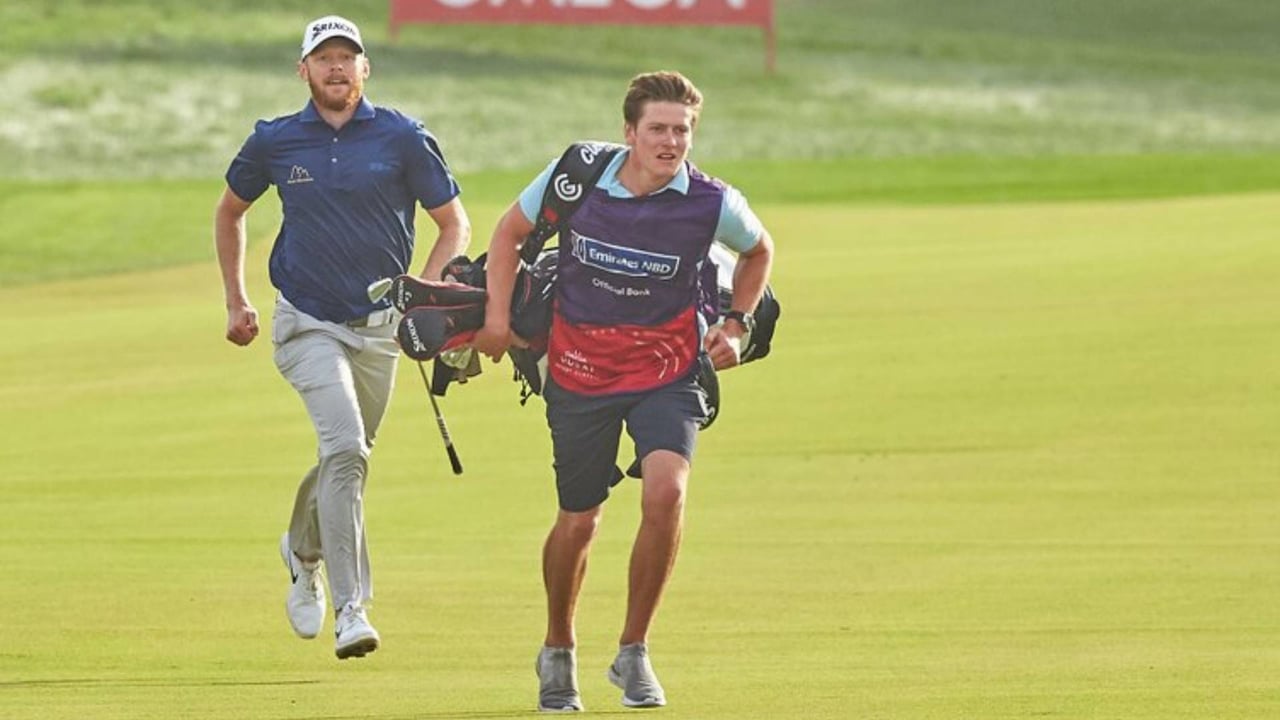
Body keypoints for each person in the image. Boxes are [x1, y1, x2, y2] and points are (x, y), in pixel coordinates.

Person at [471, 71, 774, 711]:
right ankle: (558, 648)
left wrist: (737, 325)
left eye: (682, 130)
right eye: (658, 129)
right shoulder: (578, 174)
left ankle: (633, 651)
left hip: (669, 369)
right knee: (579, 519)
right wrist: (497, 321)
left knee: (667, 490)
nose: (671, 142)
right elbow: (507, 234)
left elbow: (759, 251)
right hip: (578, 371)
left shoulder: (711, 200)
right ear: (629, 132)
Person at [213, 15, 470, 660]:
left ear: (365, 69)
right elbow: (230, 211)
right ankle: (352, 609)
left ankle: (302, 552)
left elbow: (453, 225)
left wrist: (426, 294)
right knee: (347, 447)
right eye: (322, 58)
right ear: (303, 70)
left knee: (346, 459)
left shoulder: (403, 137)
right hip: (306, 323)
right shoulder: (275, 141)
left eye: (347, 57)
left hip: (380, 330)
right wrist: (237, 299)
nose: (336, 67)